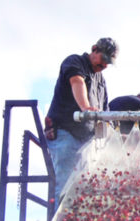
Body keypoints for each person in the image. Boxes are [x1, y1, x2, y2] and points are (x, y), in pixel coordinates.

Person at [44, 37, 118, 207]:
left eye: (108, 63)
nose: (104, 65)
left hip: (86, 141)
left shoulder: (101, 80)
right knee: (66, 185)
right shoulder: (75, 62)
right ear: (94, 50)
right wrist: (85, 107)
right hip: (65, 132)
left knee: (83, 187)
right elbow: (77, 82)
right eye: (103, 59)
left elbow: (104, 110)